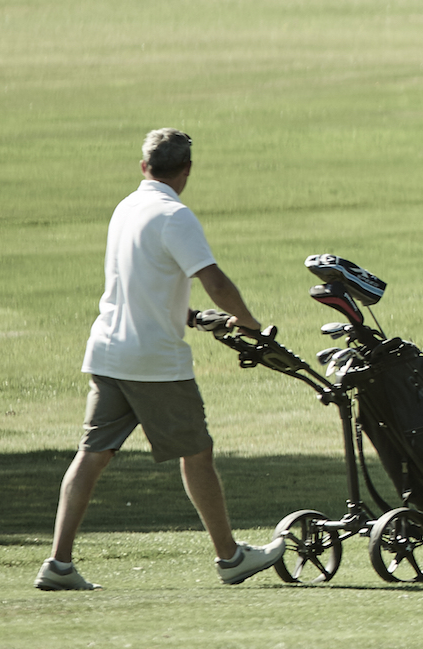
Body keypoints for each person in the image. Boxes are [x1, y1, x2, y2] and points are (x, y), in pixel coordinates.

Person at [37, 129, 283, 591]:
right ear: (186, 171)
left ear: (143, 167)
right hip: (154, 362)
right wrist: (247, 322)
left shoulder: (126, 208)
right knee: (197, 453)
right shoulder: (176, 216)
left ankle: (59, 564)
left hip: (109, 351)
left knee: (91, 456)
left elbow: (138, 282)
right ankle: (230, 558)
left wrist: (188, 316)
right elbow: (214, 280)